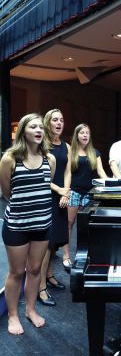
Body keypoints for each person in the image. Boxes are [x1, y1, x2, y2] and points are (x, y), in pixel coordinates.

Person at [0, 113, 56, 335]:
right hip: (17, 226)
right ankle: (13, 315)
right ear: (23, 130)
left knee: (34, 270)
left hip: (42, 225)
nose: (39, 130)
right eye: (33, 126)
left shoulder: (49, 159)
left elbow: (45, 188)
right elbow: (6, 193)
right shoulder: (9, 159)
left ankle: (30, 310)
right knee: (16, 272)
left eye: (41, 127)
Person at [62, 123, 108, 270]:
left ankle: (84, 256)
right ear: (77, 135)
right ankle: (66, 256)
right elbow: (67, 173)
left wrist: (110, 184)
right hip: (74, 191)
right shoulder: (71, 151)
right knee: (69, 224)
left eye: (87, 133)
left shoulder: (95, 152)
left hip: (89, 193)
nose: (85, 135)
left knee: (87, 226)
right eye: (82, 133)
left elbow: (101, 172)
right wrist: (66, 191)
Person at [38, 109, 71, 306]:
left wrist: (66, 192)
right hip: (48, 195)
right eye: (54, 120)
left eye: (61, 120)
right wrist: (60, 190)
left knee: (56, 242)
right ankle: (40, 287)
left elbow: (68, 171)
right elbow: (41, 174)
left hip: (62, 196)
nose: (59, 123)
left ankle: (49, 276)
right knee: (46, 244)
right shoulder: (43, 145)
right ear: (48, 123)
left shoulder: (66, 145)